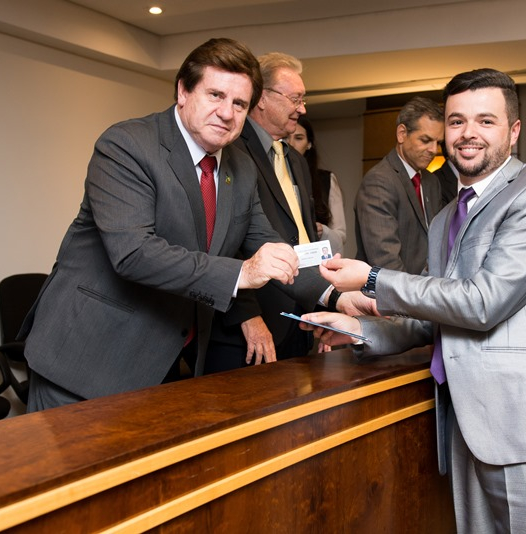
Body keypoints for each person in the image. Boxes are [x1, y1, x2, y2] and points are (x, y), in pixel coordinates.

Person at [301, 68, 526, 533]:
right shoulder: (444, 219)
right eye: (457, 121)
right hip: (466, 426)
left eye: (485, 121)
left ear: (514, 131)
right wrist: (360, 330)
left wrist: (373, 279)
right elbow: (433, 317)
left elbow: (482, 303)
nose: (467, 134)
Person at [19, 38, 335, 412]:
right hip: (86, 358)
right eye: (215, 95)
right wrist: (242, 273)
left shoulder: (240, 165)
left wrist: (337, 295)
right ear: (183, 91)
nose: (226, 113)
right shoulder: (127, 145)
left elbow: (267, 242)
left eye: (239, 104)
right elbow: (134, 253)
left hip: (164, 362)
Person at [206, 52, 319, 369]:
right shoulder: (230, 151)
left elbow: (301, 235)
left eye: (303, 99)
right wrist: (248, 314)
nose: (302, 109)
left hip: (299, 314)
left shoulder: (296, 160)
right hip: (250, 325)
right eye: (295, 99)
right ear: (262, 98)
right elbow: (224, 243)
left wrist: (324, 301)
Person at [354, 96, 445, 274]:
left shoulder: (432, 182)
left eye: (438, 142)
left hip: (431, 286)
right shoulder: (379, 182)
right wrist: (417, 291)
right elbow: (386, 262)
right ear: (402, 134)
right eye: (425, 140)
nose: (434, 150)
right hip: (396, 289)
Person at [287, 115, 347, 255]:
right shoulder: (275, 176)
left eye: (299, 138)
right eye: (286, 138)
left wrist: (323, 231)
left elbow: (341, 234)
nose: (291, 143)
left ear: (309, 144)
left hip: (317, 257)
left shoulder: (326, 179)